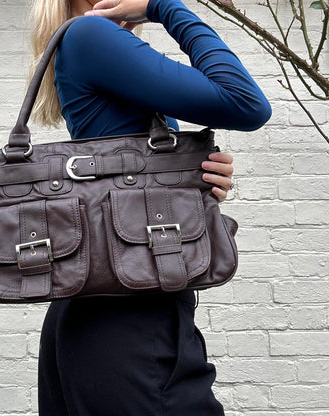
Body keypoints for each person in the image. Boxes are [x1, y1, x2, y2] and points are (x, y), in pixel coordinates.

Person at [31, 0, 272, 415]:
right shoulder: (92, 35)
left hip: (104, 311)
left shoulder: (89, 41)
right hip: (129, 321)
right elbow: (245, 102)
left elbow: (124, 181)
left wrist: (192, 182)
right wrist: (164, 6)